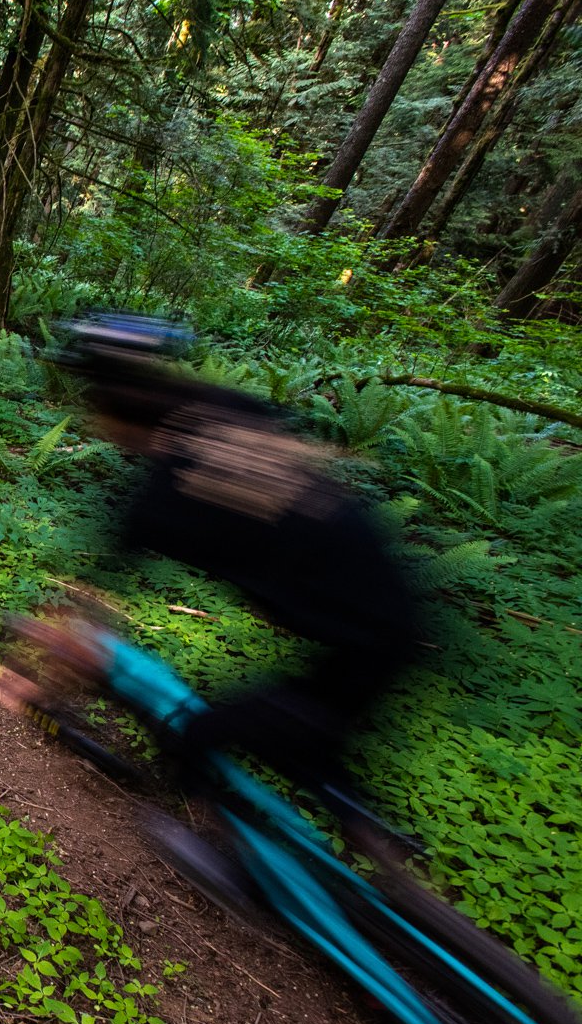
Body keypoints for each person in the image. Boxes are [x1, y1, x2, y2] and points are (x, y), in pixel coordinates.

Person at [44, 313, 423, 813]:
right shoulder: (225, 406)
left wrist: (53, 670)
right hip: (394, 607)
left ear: (112, 412)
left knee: (199, 736)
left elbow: (99, 602)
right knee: (312, 743)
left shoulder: (160, 497)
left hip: (361, 637)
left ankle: (217, 848)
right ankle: (377, 848)